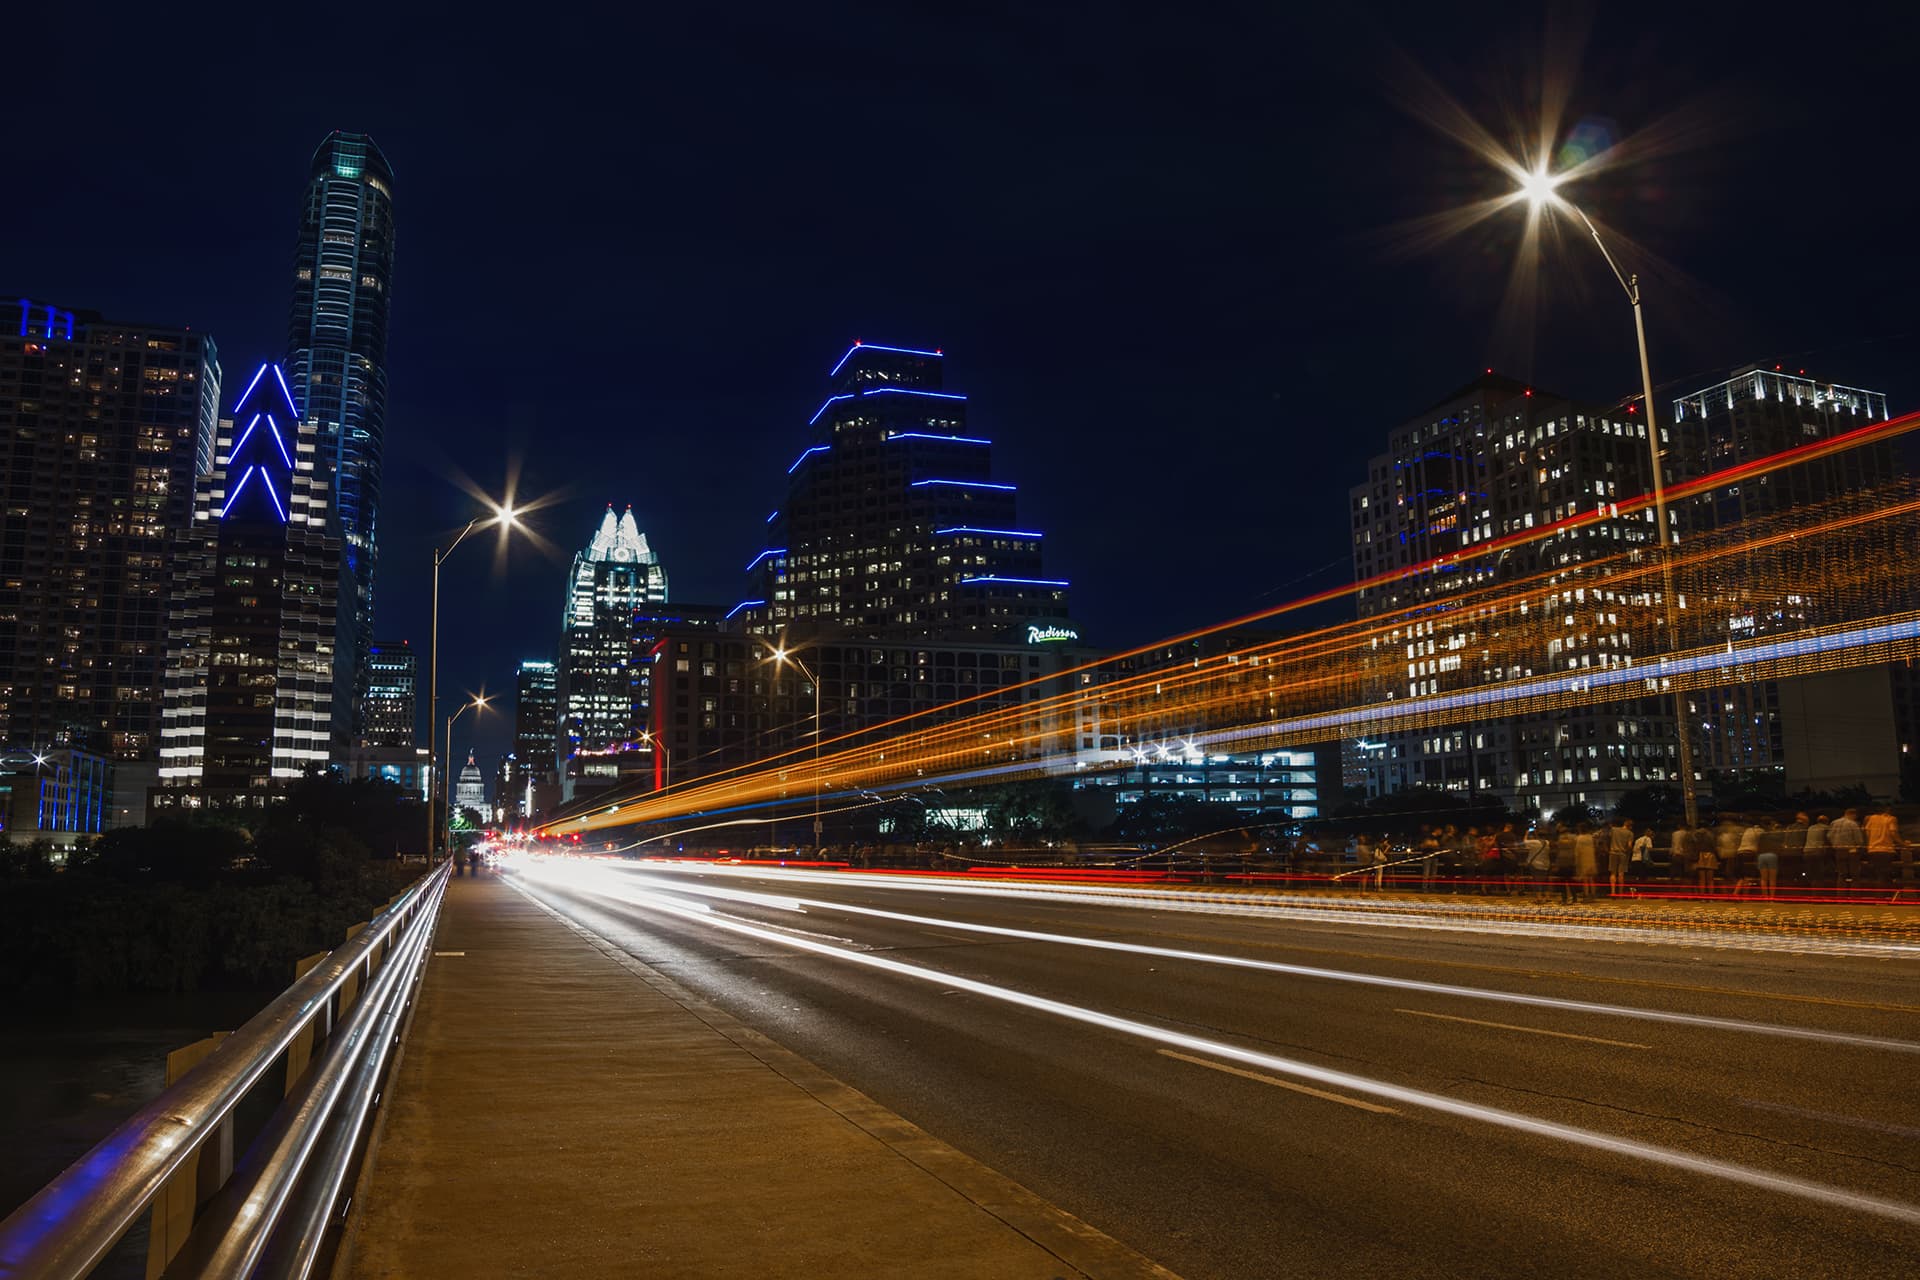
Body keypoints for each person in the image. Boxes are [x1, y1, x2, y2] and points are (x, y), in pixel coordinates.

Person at [1866, 805, 1903, 889]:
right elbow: (1893, 833)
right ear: (1888, 811)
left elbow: (1867, 832)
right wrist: (1903, 844)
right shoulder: (1891, 819)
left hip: (1872, 849)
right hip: (1886, 850)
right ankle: (1883, 897)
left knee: (1876, 874)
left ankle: (1878, 897)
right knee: (1884, 875)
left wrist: (1871, 842)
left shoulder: (1872, 818)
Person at [1830, 808, 1866, 891]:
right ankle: (1854, 898)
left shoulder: (1834, 823)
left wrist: (1835, 845)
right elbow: (1859, 840)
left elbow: (1829, 836)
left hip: (1838, 851)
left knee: (1841, 874)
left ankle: (1840, 898)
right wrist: (1859, 847)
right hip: (1851, 851)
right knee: (1855, 875)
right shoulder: (1853, 824)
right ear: (1853, 815)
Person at [1607, 817, 1633, 897]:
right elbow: (1629, 845)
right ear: (1630, 826)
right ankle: (1621, 893)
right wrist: (1627, 850)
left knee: (1613, 873)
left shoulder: (1614, 830)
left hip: (1613, 852)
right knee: (1621, 873)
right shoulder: (1630, 833)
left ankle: (1613, 892)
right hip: (1623, 854)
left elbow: (1608, 838)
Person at [1804, 814, 1832, 888]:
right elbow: (1829, 839)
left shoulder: (1810, 827)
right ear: (1826, 822)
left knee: (1811, 872)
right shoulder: (1826, 828)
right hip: (1818, 852)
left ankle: (1812, 888)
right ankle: (1818, 889)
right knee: (1819, 873)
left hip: (1807, 851)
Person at [1755, 819, 1780, 898]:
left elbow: (1758, 846)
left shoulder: (1763, 834)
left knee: (1763, 879)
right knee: (1772, 879)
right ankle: (1772, 898)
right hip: (1772, 855)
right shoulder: (1777, 835)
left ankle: (1765, 897)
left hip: (1761, 856)